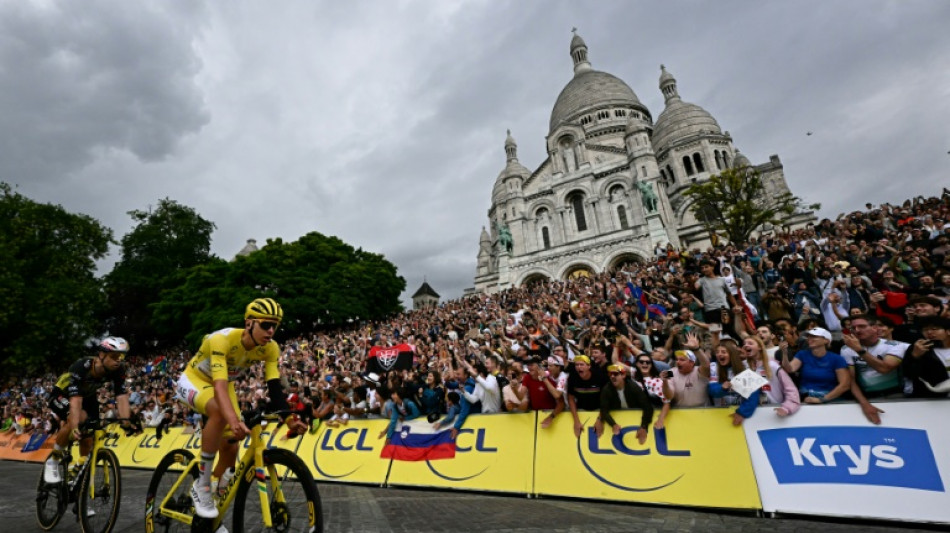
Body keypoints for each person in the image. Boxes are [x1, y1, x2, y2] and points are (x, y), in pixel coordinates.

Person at [175, 298, 306, 518]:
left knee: (231, 447)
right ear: (249, 324)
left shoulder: (271, 348)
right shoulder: (222, 340)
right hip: (195, 379)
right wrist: (234, 420)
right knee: (220, 413)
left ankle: (210, 513)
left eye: (275, 325)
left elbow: (274, 386)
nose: (271, 330)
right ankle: (202, 485)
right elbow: (218, 386)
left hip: (224, 384)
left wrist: (289, 419)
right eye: (266, 324)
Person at [44, 337, 134, 484]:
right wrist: (74, 426)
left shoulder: (118, 370)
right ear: (101, 355)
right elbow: (75, 400)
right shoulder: (82, 367)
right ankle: (53, 460)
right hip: (63, 394)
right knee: (78, 419)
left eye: (121, 357)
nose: (118, 360)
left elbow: (122, 396)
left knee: (89, 434)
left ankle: (78, 472)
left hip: (88, 396)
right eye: (114, 356)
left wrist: (126, 422)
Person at [840, 315, 903, 424]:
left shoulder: (894, 346)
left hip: (895, 394)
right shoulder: (846, 349)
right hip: (867, 396)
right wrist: (865, 404)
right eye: (853, 328)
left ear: (875, 328)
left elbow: (884, 369)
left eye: (862, 326)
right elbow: (850, 380)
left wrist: (859, 350)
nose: (857, 330)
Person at [781, 327, 851, 404]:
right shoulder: (802, 354)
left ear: (826, 340)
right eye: (809, 336)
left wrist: (821, 400)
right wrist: (784, 354)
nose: (809, 339)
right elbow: (789, 369)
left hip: (829, 399)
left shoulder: (837, 359)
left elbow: (845, 385)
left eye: (814, 336)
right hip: (805, 398)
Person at [596, 364, 654, 442]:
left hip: (636, 418)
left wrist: (644, 426)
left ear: (623, 375)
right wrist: (613, 424)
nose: (612, 376)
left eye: (615, 374)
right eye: (610, 374)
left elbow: (648, 407)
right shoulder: (606, 389)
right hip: (619, 419)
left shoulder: (633, 387)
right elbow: (604, 410)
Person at [901, 316, 950, 397]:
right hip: (931, 397)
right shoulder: (917, 348)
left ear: (948, 331)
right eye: (925, 330)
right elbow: (908, 374)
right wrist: (915, 356)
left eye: (934, 329)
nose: (929, 332)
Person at [566, 355, 606, 438]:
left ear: (589, 366)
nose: (579, 367)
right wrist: (576, 421)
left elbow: (606, 399)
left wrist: (600, 419)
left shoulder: (599, 376)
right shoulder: (572, 377)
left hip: (599, 408)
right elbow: (571, 398)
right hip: (581, 409)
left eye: (581, 364)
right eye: (576, 365)